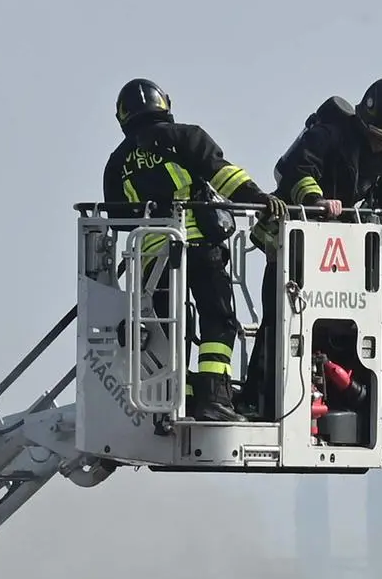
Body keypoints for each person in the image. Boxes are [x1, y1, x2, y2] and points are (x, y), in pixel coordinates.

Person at [99, 78, 268, 420]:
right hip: (199, 246)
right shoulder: (185, 137)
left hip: (152, 260)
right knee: (218, 322)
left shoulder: (117, 162)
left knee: (167, 332)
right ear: (164, 104)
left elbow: (118, 220)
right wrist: (261, 200)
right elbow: (224, 175)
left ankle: (176, 397)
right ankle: (214, 397)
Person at [272, 77, 382, 227]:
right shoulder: (327, 136)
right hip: (284, 228)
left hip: (328, 237)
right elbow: (298, 173)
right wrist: (317, 201)